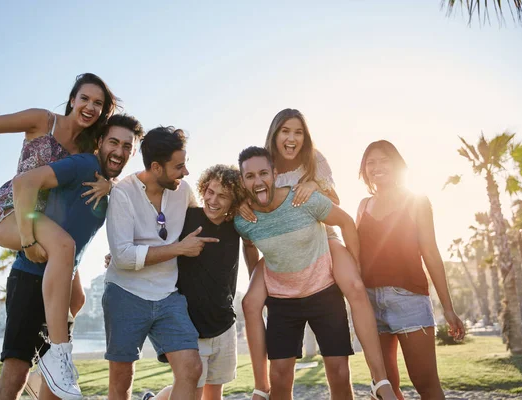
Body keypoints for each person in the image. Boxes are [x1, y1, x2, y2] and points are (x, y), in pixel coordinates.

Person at [0, 73, 119, 390]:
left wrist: (109, 183)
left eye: (98, 103)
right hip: (12, 211)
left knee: (78, 298)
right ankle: (59, 356)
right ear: (73, 99)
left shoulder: (90, 146)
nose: (89, 107)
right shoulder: (43, 121)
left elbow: (110, 166)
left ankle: (37, 371)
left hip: (47, 223)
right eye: (84, 98)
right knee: (63, 245)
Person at [239, 109, 395, 399]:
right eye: (285, 131)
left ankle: (379, 379)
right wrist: (242, 204)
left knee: (355, 287)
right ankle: (262, 387)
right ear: (275, 134)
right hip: (278, 249)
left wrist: (314, 185)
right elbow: (248, 192)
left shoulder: (314, 159)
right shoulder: (263, 164)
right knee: (250, 302)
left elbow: (335, 202)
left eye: (298, 132)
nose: (292, 138)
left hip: (322, 236)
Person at [0, 113, 143, 400]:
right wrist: (27, 240)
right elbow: (26, 181)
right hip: (31, 277)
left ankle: (50, 368)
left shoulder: (113, 189)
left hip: (58, 291)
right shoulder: (84, 164)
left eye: (127, 146)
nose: (120, 151)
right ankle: (52, 362)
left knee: (54, 388)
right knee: (14, 374)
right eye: (114, 142)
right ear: (99, 142)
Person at [104, 127, 219, 400]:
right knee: (121, 383)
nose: (185, 172)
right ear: (156, 167)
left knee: (191, 369)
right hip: (125, 294)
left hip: (168, 296)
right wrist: (178, 248)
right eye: (179, 166)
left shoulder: (183, 191)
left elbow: (207, 217)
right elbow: (123, 257)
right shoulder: (122, 194)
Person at [235, 146, 359, 400]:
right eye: (250, 176)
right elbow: (249, 245)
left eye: (263, 173)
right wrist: (254, 278)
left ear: (274, 173)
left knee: (339, 374)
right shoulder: (243, 219)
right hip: (282, 302)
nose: (258, 181)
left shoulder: (302, 199)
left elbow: (346, 220)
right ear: (243, 181)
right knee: (279, 378)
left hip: (324, 293)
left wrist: (355, 266)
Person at [356, 140, 465, 399]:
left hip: (409, 299)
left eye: (383, 160)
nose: (376, 166)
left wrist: (448, 309)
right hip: (370, 304)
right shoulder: (363, 205)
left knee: (426, 385)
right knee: (386, 387)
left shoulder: (417, 201)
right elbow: (355, 255)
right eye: (370, 162)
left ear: (396, 164)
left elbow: (431, 254)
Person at [145, 165, 256, 400]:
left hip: (224, 324)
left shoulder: (235, 225)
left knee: (214, 395)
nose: (213, 200)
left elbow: (252, 234)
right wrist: (122, 254)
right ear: (203, 190)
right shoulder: (188, 217)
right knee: (190, 392)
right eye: (210, 192)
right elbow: (154, 236)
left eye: (222, 196)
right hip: (191, 327)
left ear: (233, 201)